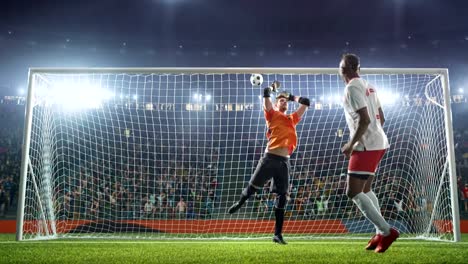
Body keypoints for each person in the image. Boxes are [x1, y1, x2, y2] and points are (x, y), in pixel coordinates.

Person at [227, 80, 310, 244]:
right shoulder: (271, 114)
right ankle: (240, 202)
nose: (284, 102)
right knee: (252, 188)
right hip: (269, 158)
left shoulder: (292, 118)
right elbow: (265, 92)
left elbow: (306, 102)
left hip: (284, 162)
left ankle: (277, 234)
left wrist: (291, 96)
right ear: (276, 103)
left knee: (283, 196)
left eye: (285, 101)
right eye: (281, 100)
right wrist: (274, 89)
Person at [339, 53, 399, 253]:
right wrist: (373, 134)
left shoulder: (351, 88)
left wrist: (351, 144)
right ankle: (380, 233)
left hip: (365, 146)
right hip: (379, 142)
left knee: (353, 192)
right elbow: (381, 118)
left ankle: (386, 231)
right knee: (365, 190)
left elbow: (365, 120)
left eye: (340, 67)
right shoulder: (369, 85)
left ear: (345, 69)